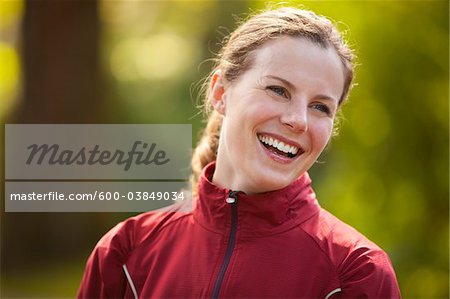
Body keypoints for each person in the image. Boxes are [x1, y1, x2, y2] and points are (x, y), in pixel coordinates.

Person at [78, 7, 401, 298]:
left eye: (320, 107)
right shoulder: (125, 252)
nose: (298, 120)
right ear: (221, 92)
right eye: (278, 90)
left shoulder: (356, 274)